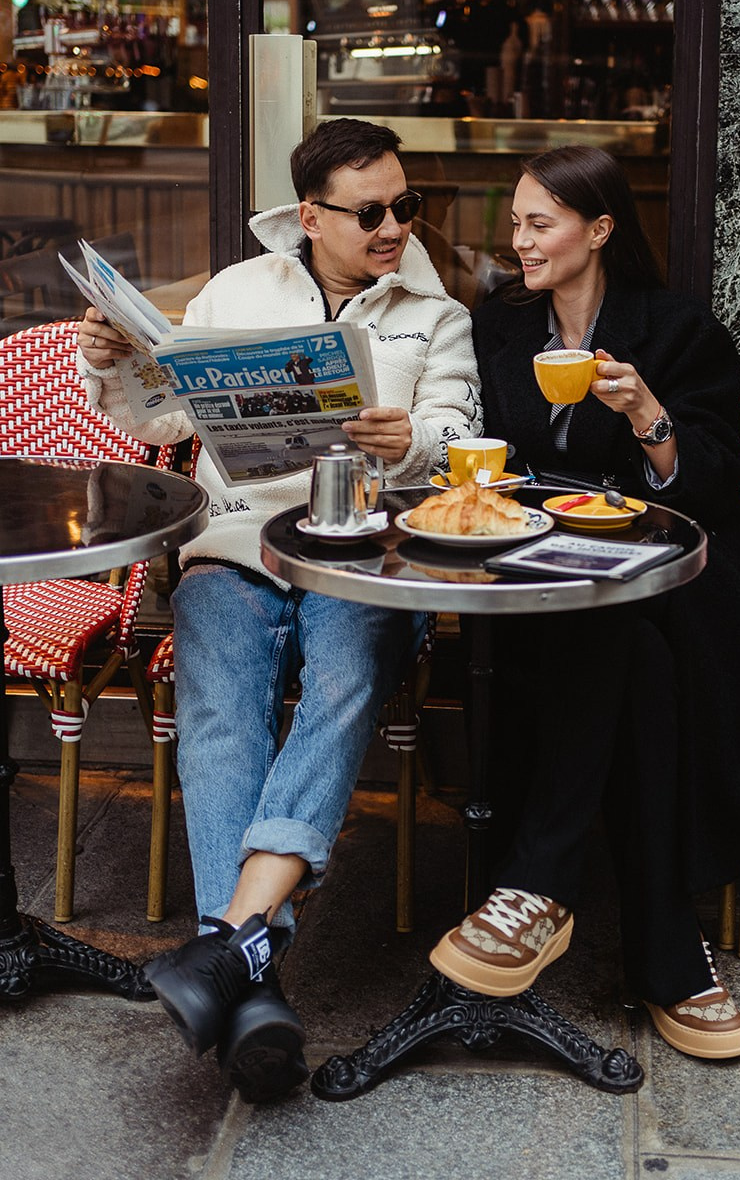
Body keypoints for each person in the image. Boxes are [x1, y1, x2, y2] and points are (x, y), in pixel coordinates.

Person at [427, 146, 740, 1060]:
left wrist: (647, 418)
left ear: (597, 231)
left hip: (689, 571)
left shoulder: (674, 329)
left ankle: (538, 886)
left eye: (538, 224)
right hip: (547, 575)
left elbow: (714, 486)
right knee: (634, 656)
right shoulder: (501, 325)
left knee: (631, 628)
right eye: (514, 223)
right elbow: (489, 455)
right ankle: (667, 953)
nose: (520, 242)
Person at [77, 117, 481, 1101]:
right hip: (235, 543)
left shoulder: (435, 312)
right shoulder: (237, 290)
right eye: (372, 212)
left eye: (406, 206)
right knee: (218, 712)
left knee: (343, 684)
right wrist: (112, 359)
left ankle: (228, 951)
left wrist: (411, 444)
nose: (396, 227)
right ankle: (250, 972)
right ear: (310, 216)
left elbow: (461, 430)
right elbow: (156, 414)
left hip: (368, 555)